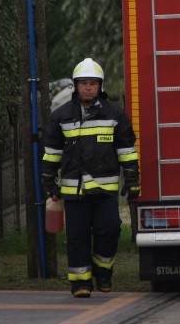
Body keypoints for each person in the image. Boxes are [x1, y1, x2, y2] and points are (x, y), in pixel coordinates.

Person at [41, 58, 141, 298]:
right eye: (83, 83)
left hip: (105, 192)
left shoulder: (115, 115)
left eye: (92, 83)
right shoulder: (61, 116)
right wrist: (48, 181)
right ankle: (80, 283)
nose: (88, 87)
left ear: (100, 86)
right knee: (77, 237)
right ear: (75, 86)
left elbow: (126, 150)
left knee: (110, 230)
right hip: (73, 191)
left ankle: (103, 273)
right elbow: (52, 153)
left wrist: (132, 180)